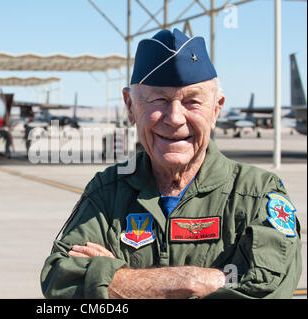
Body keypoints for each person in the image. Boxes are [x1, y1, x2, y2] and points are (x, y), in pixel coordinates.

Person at [40, 29, 302, 299]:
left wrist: (116, 279)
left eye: (192, 101)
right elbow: (62, 279)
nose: (175, 118)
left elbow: (266, 290)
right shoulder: (107, 191)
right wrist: (195, 280)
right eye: (159, 100)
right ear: (130, 106)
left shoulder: (256, 195)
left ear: (216, 110)